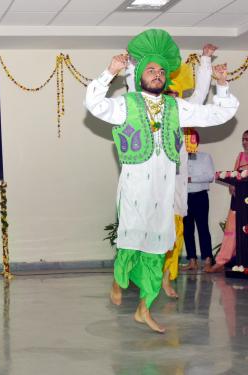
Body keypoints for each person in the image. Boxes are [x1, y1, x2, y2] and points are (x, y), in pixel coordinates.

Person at [85, 29, 239, 333]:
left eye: (161, 71)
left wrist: (222, 85)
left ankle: (144, 309)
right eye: (151, 70)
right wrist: (109, 74)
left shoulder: (175, 107)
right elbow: (95, 105)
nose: (157, 74)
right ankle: (118, 281)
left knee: (158, 249)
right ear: (140, 75)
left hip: (164, 191)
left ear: (166, 79)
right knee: (130, 241)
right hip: (134, 189)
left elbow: (216, 115)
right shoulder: (126, 104)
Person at [125, 43, 216, 297]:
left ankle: (166, 278)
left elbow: (199, 96)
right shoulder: (149, 112)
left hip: (175, 187)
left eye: (176, 97)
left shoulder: (182, 115)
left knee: (173, 235)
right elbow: (134, 91)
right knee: (146, 231)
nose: (173, 101)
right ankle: (144, 276)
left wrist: (206, 60)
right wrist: (132, 65)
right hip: (150, 183)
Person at [207, 129, 248, 273]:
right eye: (243, 139)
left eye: (247, 139)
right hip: (238, 201)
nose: (244, 142)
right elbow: (234, 174)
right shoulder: (240, 156)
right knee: (232, 231)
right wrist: (231, 185)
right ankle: (221, 261)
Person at [183, 130, 216, 271]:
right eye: (186, 140)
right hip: (184, 197)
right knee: (187, 230)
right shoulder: (179, 159)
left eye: (191, 140)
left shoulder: (205, 157)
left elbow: (210, 176)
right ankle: (192, 260)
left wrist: (190, 178)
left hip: (200, 196)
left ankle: (207, 259)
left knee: (203, 228)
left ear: (197, 141)